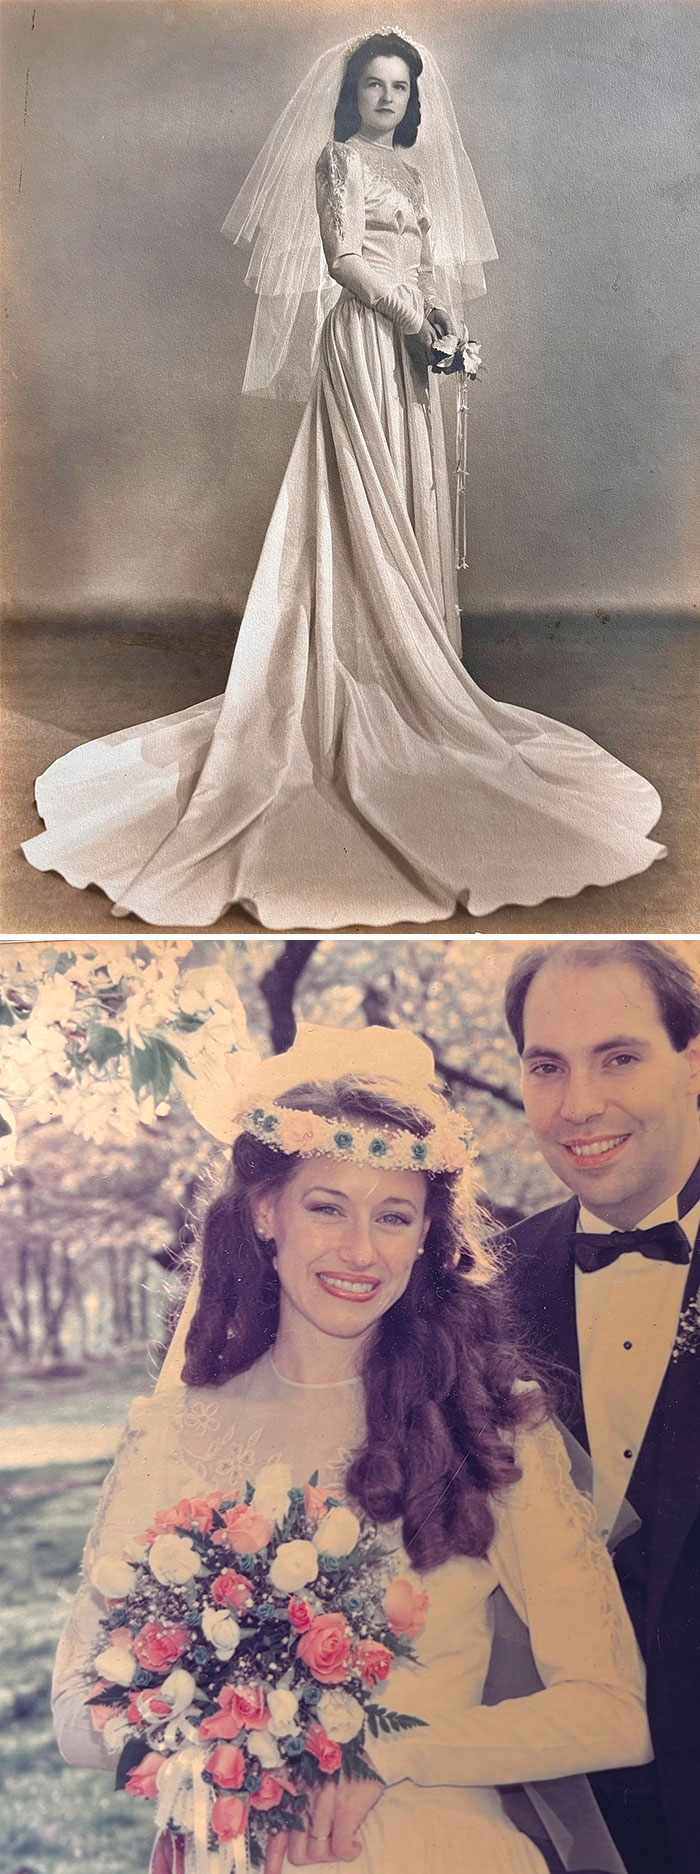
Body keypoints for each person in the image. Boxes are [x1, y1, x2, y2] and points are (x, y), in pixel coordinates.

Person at [22, 32, 665, 931]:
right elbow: (345, 262)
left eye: (401, 87)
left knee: (403, 499)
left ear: (414, 98)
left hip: (406, 352)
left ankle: (411, 673)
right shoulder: (338, 161)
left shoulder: (411, 173)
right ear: (353, 94)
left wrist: (440, 322)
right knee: (355, 498)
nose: (388, 99)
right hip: (364, 344)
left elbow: (416, 263)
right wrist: (410, 316)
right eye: (375, 85)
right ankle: (348, 678)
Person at [52, 1023, 652, 1874]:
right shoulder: (175, 1432)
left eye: (394, 1216)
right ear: (265, 1212)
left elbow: (611, 1713)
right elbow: (78, 1712)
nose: (360, 1251)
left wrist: (384, 1756)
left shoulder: (490, 1427)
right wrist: (238, 1744)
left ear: (425, 1238)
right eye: (327, 1207)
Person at [503, 941, 700, 1874]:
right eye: (548, 1067)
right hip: (561, 1816)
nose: (579, 1104)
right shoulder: (477, 1288)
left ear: (694, 1058)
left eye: (619, 1057)